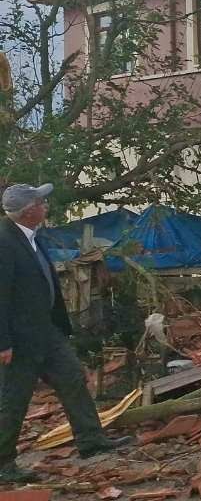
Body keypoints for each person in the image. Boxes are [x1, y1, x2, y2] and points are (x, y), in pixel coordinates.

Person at [0, 183, 133, 482]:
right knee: (13, 399)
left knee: (72, 378)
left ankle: (91, 441)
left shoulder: (30, 236)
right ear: (29, 210)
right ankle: (3, 464)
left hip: (45, 331)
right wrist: (2, 342)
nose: (46, 206)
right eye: (41, 202)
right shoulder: (4, 240)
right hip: (19, 340)